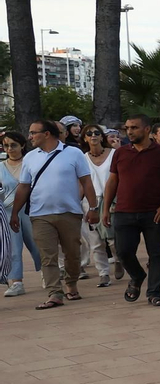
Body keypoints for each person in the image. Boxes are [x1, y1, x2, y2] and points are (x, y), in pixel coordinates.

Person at [9, 120, 96, 308]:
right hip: (40, 214)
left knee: (72, 253)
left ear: (47, 134)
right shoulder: (30, 157)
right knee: (47, 256)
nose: (30, 136)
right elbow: (24, 187)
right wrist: (15, 213)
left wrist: (94, 208)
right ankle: (54, 293)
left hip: (69, 212)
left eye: (33, 133)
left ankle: (71, 284)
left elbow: (86, 182)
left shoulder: (73, 153)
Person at [101, 114, 160, 306]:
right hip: (124, 211)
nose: (129, 131)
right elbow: (112, 181)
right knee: (124, 252)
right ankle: (136, 276)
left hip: (154, 212)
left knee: (157, 254)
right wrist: (105, 209)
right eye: (127, 128)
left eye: (134, 127)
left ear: (146, 130)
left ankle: (154, 292)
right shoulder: (120, 153)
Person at [2, 130, 42, 297]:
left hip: (31, 210)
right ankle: (16, 281)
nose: (9, 149)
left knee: (38, 244)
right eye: (6, 145)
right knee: (13, 248)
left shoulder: (31, 163)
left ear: (22, 145)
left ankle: (47, 273)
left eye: (13, 145)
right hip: (9, 211)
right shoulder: (0, 166)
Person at [80, 125, 116, 287]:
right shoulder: (82, 158)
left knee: (114, 238)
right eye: (89, 133)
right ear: (85, 138)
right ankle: (103, 273)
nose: (93, 136)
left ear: (102, 137)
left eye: (96, 133)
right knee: (95, 241)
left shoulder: (114, 154)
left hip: (113, 199)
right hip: (91, 201)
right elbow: (80, 182)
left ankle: (120, 260)